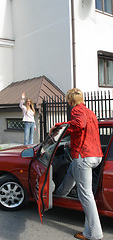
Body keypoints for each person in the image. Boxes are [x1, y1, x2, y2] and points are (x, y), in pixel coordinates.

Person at [49, 88, 103, 240]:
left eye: (68, 100)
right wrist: (71, 143)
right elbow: (85, 131)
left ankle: (94, 234)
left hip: (83, 156)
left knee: (86, 196)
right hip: (95, 155)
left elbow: (79, 124)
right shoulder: (90, 112)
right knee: (71, 172)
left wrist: (59, 126)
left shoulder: (77, 110)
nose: (68, 103)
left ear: (71, 100)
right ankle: (59, 195)